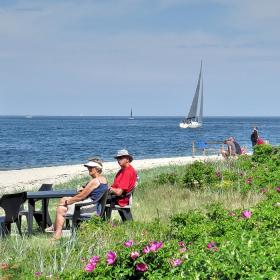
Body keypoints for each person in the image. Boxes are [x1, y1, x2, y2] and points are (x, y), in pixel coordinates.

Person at [47, 158, 108, 239]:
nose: (88, 169)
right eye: (88, 167)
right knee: (63, 199)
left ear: (97, 169)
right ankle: (55, 228)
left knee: (61, 208)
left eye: (91, 167)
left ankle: (57, 234)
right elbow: (93, 192)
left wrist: (67, 202)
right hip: (95, 205)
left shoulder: (95, 181)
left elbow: (80, 196)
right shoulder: (103, 179)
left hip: (90, 208)